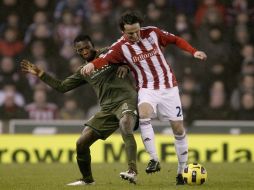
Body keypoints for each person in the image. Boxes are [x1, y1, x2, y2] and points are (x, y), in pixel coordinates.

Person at [81, 11, 207, 185]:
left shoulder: (153, 32)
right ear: (123, 31)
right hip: (147, 88)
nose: (135, 35)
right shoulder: (120, 47)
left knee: (178, 129)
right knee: (144, 112)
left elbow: (176, 40)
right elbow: (104, 59)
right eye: (130, 33)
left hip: (169, 87)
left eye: (137, 31)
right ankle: (154, 159)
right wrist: (91, 65)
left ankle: (180, 172)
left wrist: (193, 52)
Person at [20, 34, 138, 185]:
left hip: (126, 100)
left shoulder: (108, 52)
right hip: (107, 109)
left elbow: (134, 56)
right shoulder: (83, 71)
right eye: (80, 49)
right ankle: (87, 180)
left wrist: (126, 65)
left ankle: (132, 171)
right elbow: (62, 87)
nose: (84, 51)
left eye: (86, 47)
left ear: (92, 45)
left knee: (125, 124)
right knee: (81, 143)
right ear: (77, 52)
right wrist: (40, 73)